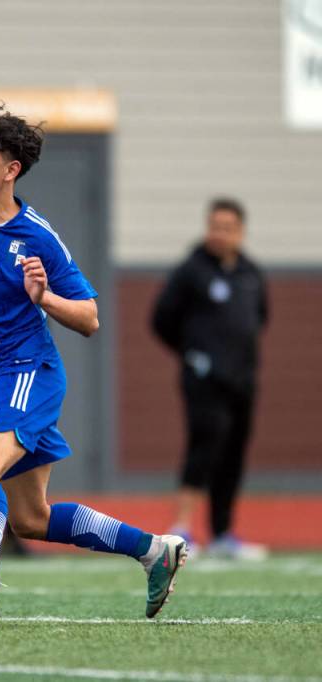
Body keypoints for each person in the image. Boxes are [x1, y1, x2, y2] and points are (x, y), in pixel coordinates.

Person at [0, 104, 187, 627]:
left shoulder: (38, 237)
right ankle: (153, 551)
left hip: (28, 368)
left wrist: (45, 297)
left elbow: (91, 318)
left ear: (11, 170)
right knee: (31, 517)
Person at [152, 198, 268, 560]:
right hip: (204, 379)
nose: (219, 234)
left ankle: (222, 533)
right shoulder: (192, 270)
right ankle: (183, 528)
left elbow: (260, 319)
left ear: (241, 231)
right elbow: (161, 319)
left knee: (233, 454)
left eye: (227, 227)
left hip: (243, 380)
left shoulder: (251, 273)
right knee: (204, 446)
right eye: (214, 226)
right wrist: (193, 355)